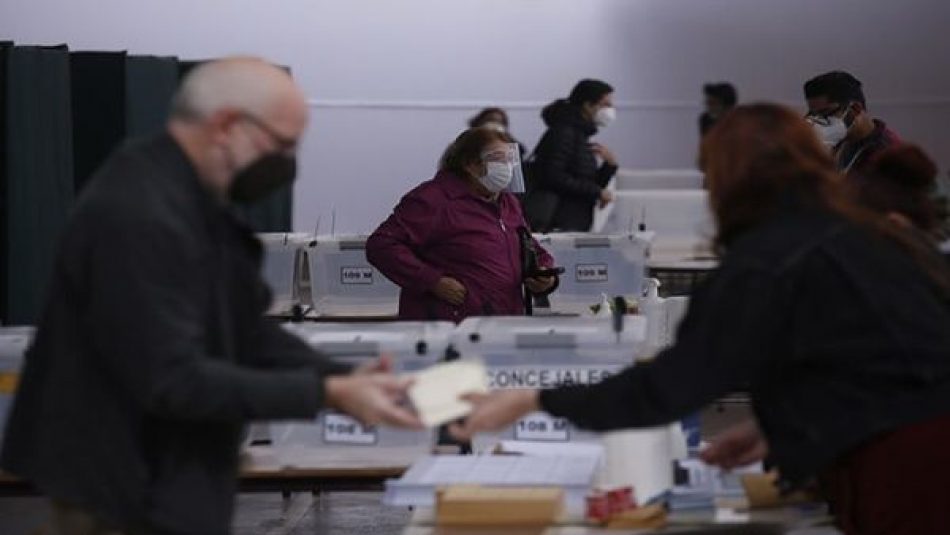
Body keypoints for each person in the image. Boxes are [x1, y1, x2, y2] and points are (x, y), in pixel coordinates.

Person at [452, 104, 950, 535]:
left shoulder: (766, 258)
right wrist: (779, 424)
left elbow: (669, 387)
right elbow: (872, 354)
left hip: (908, 465)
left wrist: (535, 397)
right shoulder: (860, 230)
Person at [0, 57, 422, 535]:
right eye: (282, 144)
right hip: (119, 488)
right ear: (226, 126)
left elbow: (246, 329)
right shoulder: (138, 213)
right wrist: (326, 392)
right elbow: (171, 379)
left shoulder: (194, 198)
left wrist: (345, 379)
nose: (288, 162)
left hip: (172, 473)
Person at [367, 127, 557, 322]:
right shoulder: (434, 200)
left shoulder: (508, 203)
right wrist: (432, 281)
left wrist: (544, 274)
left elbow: (528, 246)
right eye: (498, 159)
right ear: (470, 164)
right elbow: (382, 245)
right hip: (450, 327)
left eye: (510, 160)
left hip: (503, 325)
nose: (507, 167)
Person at [523, 79, 619, 232]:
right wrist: (596, 192)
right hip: (558, 220)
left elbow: (587, 182)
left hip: (574, 219)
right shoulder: (564, 133)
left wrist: (609, 166)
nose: (611, 110)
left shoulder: (580, 135)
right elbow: (552, 176)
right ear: (588, 105)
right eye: (606, 104)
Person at [804, 71, 900, 176]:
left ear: (855, 109)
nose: (820, 122)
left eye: (826, 113)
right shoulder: (840, 142)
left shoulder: (889, 156)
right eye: (813, 115)